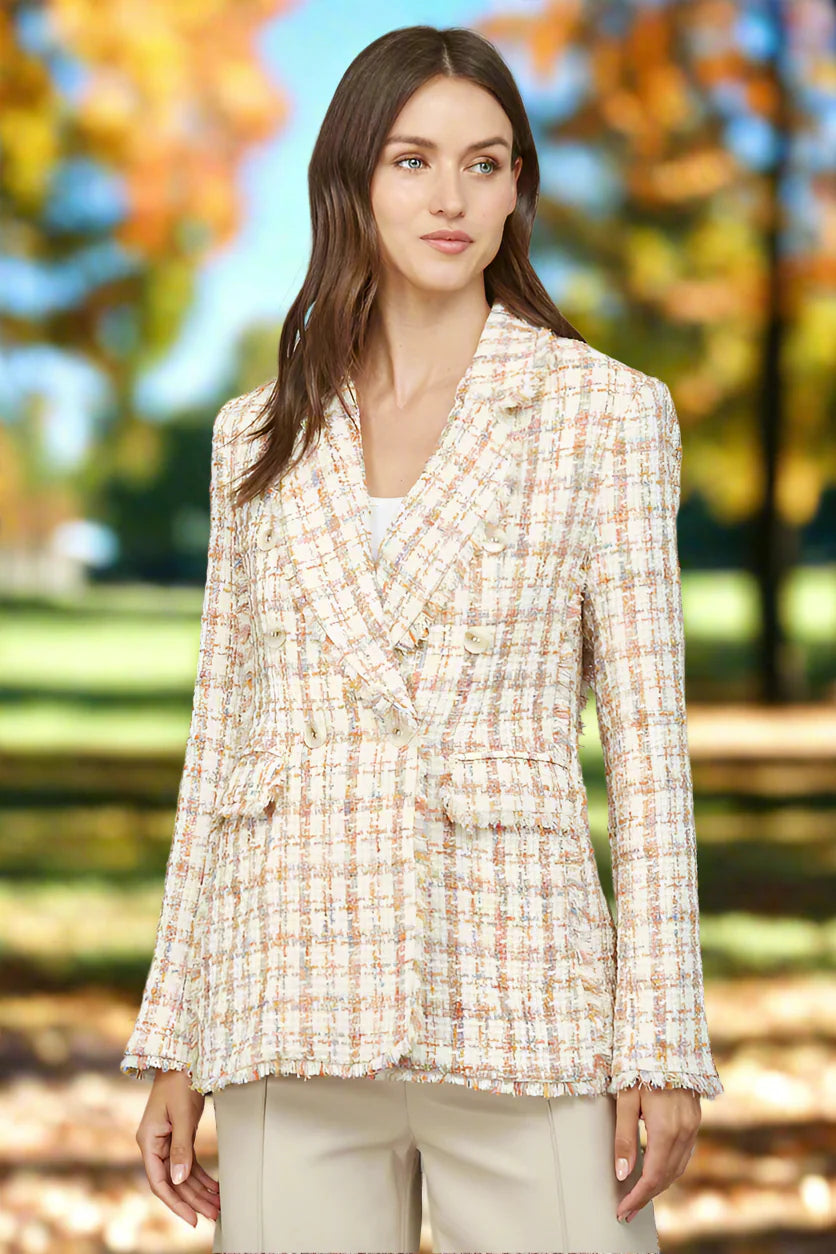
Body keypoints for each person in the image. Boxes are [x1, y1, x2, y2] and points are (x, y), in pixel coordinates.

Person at [122, 24, 724, 1254]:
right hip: (288, 987)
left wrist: (660, 1039)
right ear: (351, 180)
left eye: (482, 163)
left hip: (524, 990)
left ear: (515, 190)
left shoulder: (603, 415)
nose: (449, 197)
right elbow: (220, 748)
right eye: (411, 160)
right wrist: (174, 1033)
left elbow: (649, 756)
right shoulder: (256, 437)